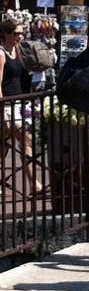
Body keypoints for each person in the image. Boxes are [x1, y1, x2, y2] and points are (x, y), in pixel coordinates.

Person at [0, 18, 42, 195]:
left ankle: (34, 184)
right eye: (16, 33)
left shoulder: (18, 49)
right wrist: (2, 106)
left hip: (21, 102)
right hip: (7, 104)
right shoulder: (1, 54)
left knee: (22, 141)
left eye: (21, 33)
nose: (19, 36)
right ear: (5, 34)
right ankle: (34, 183)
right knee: (17, 141)